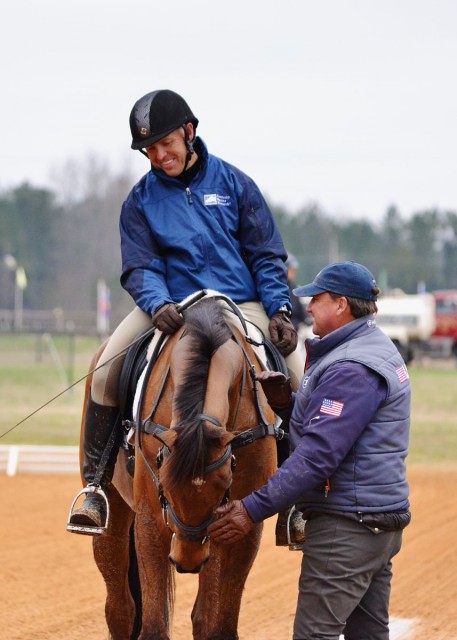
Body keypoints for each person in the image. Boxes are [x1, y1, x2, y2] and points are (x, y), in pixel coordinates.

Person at [68, 89, 305, 533]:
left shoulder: (236, 184)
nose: (159, 156)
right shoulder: (139, 200)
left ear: (189, 133)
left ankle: (300, 501)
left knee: (301, 374)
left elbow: (266, 255)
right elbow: (140, 265)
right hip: (171, 306)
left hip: (241, 302)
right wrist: (156, 303)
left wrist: (278, 310)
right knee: (103, 371)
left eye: (165, 144)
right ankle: (95, 488)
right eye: (149, 150)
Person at [208, 261, 411, 640]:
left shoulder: (352, 366)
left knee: (313, 635)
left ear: (341, 305)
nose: (308, 307)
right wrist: (290, 405)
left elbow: (318, 455)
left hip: (348, 527)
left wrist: (250, 509)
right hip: (374, 521)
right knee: (368, 634)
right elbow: (343, 425)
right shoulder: (372, 345)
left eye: (316, 299)